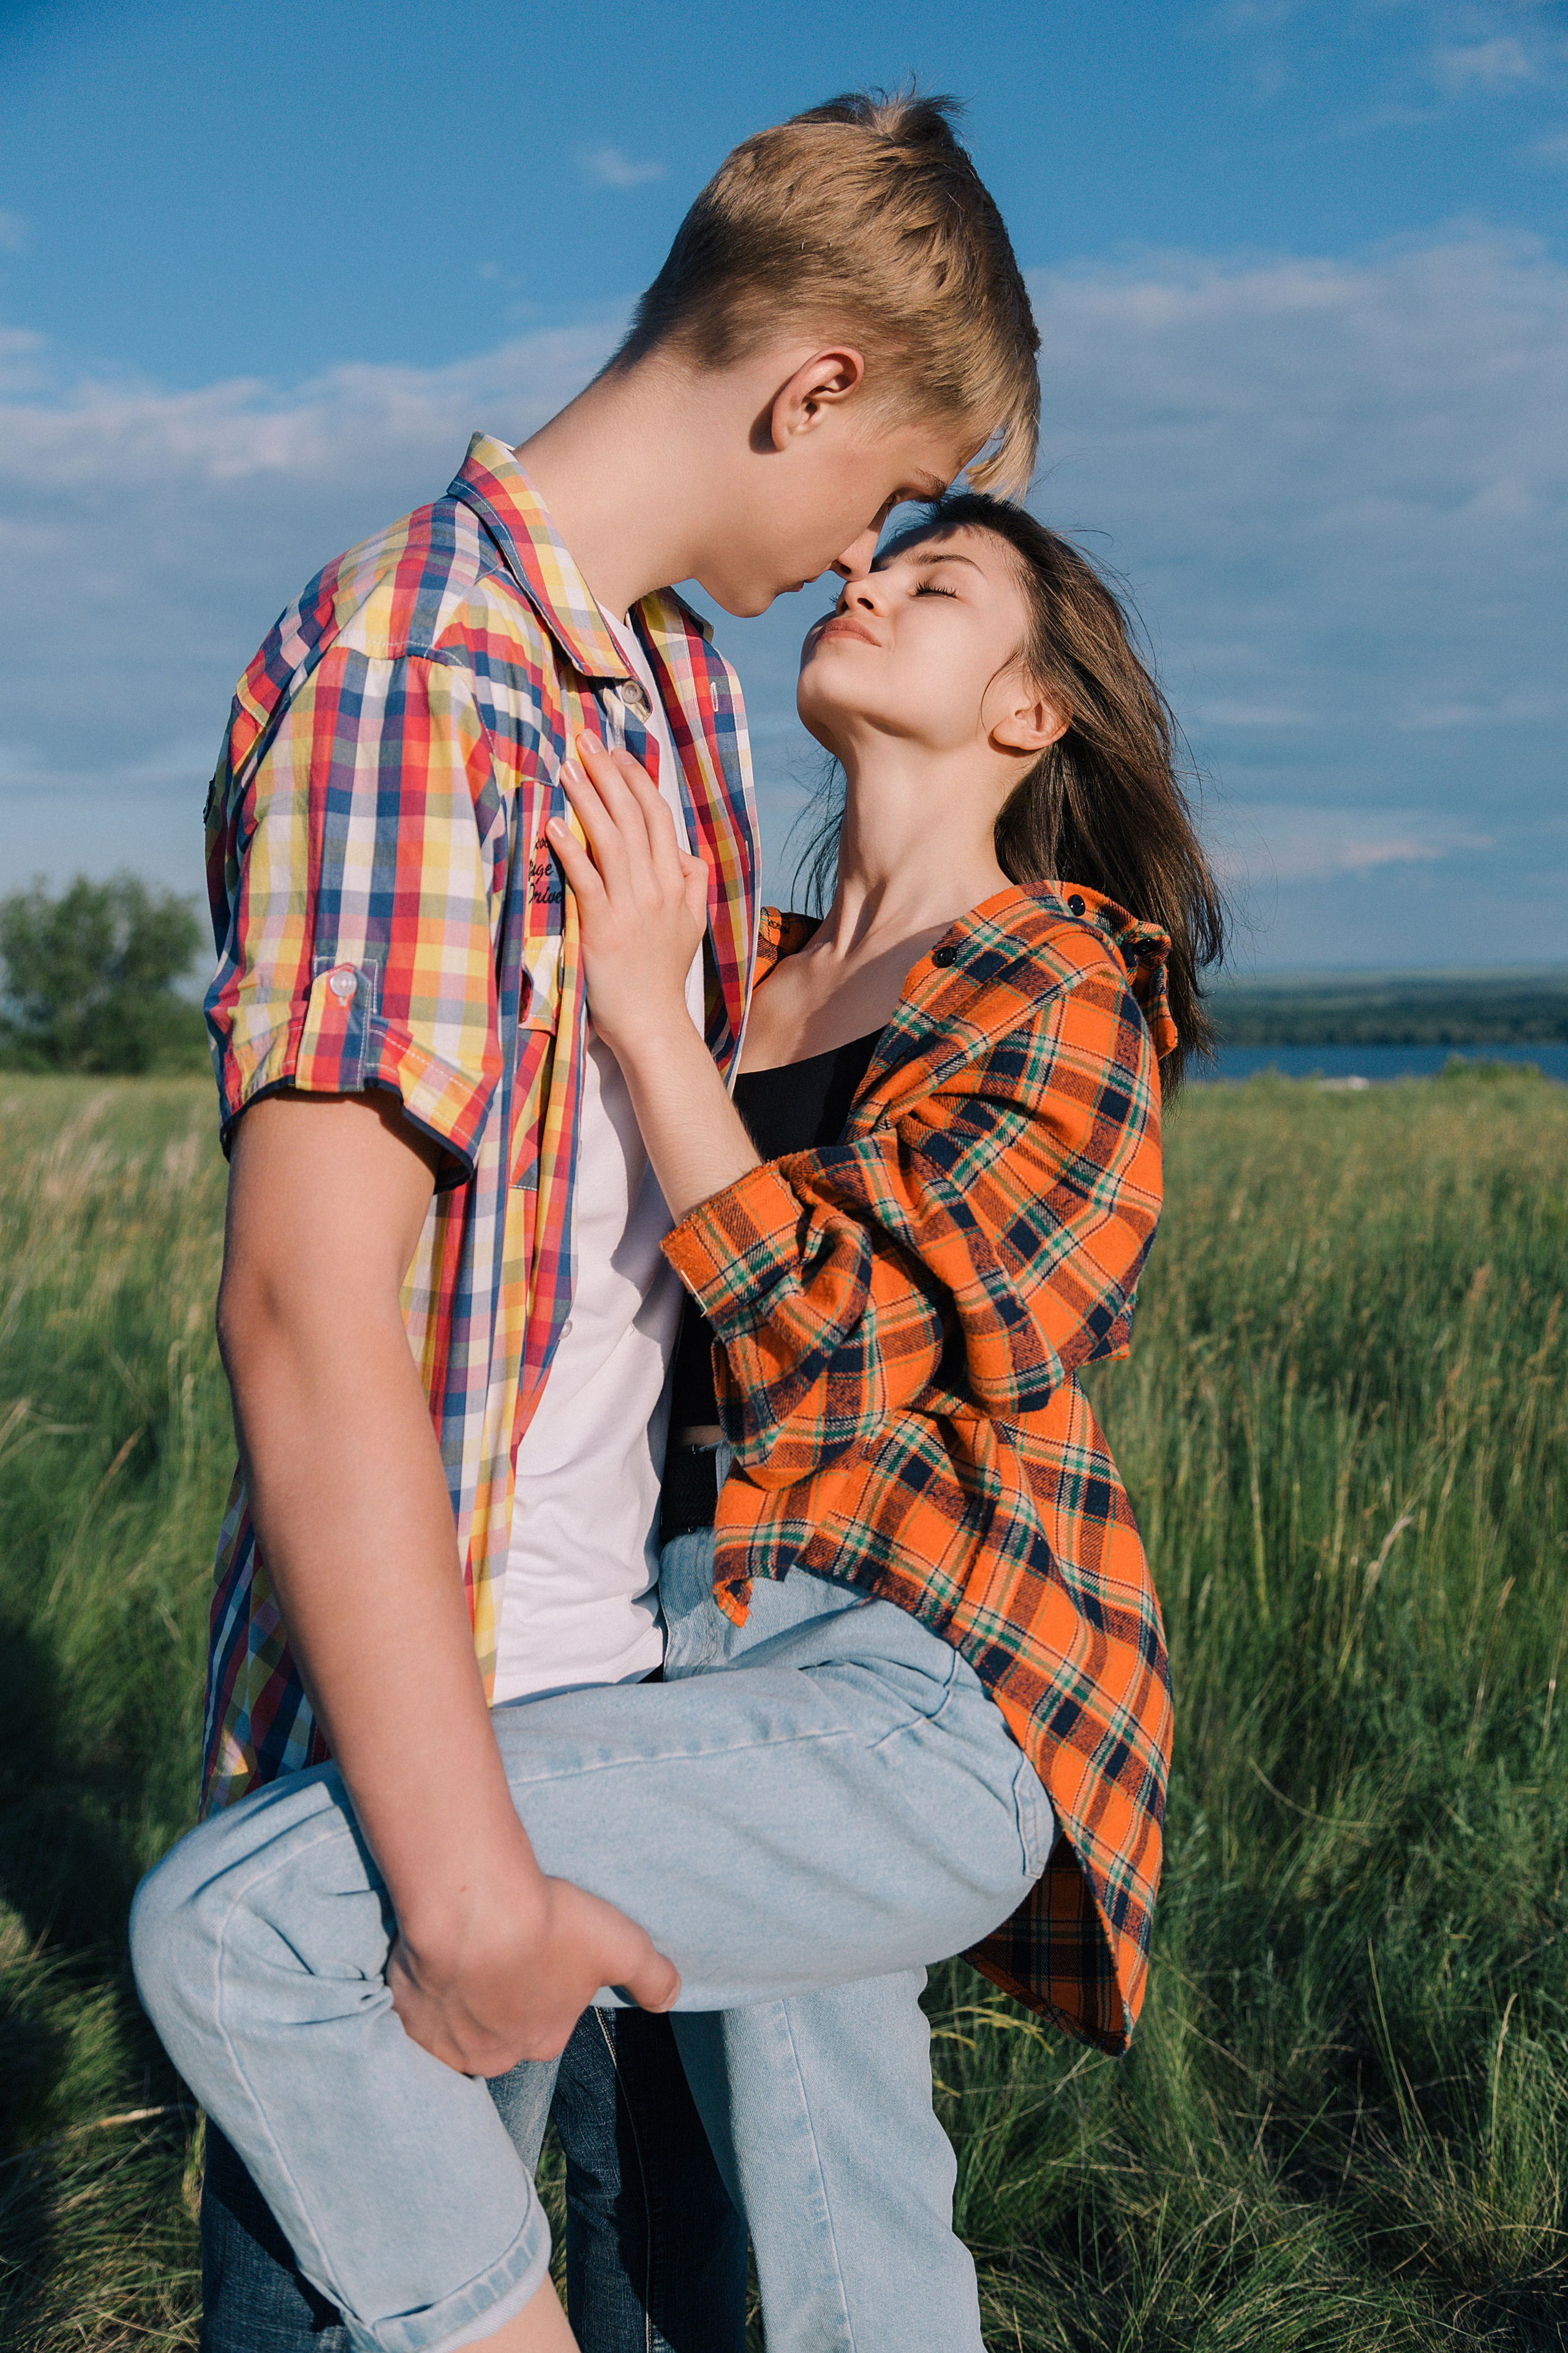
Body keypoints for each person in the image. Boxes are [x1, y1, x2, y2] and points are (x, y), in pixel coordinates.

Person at [133, 488, 1224, 2353]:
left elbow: (837, 1354)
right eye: (875, 556)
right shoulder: (738, 947)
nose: (865, 577)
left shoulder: (1063, 984)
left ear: (1031, 715)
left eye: (939, 581)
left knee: (269, 1919)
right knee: (835, 2238)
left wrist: (649, 1029)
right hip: (661, 1644)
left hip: (919, 1676)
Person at [165, 88, 1041, 2353]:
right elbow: (302, 1296)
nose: (868, 545)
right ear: (812, 386)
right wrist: (457, 1891)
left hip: (621, 1712)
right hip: (421, 1772)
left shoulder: (660, 688)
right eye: (891, 479)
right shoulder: (415, 673)